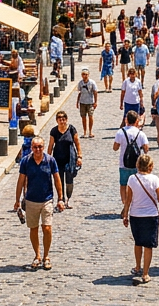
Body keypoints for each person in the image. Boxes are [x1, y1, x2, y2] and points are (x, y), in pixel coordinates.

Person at [13, 136, 65, 271]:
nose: (37, 149)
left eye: (40, 147)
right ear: (31, 148)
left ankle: (46, 256)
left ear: (43, 147)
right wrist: (17, 200)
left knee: (47, 228)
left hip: (47, 199)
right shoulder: (25, 162)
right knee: (33, 228)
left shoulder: (50, 161)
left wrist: (60, 198)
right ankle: (37, 255)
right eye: (35, 147)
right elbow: (20, 181)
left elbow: (57, 179)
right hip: (31, 200)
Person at [122, 153, 159, 284]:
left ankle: (137, 266)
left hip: (135, 215)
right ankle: (145, 273)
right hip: (151, 215)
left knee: (138, 242)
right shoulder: (155, 179)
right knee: (148, 245)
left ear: (137, 165)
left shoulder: (132, 179)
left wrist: (125, 215)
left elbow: (128, 200)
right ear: (150, 166)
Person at [114, 110, 149, 205]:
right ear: (137, 121)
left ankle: (125, 205)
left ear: (126, 120)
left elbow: (115, 148)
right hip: (137, 164)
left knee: (123, 185)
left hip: (123, 163)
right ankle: (134, 204)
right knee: (136, 185)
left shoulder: (120, 132)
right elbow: (146, 149)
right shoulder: (140, 134)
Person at [49, 110, 83, 208]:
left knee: (69, 180)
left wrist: (79, 156)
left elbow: (77, 143)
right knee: (58, 180)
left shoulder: (71, 129)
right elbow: (51, 145)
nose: (62, 121)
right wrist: (47, 158)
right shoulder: (54, 131)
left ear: (66, 120)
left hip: (70, 159)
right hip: (58, 159)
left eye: (63, 119)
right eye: (60, 119)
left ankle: (68, 198)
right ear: (57, 121)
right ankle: (61, 199)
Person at [76, 70, 99, 138]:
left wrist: (95, 102)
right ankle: (84, 132)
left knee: (90, 116)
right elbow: (79, 92)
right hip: (82, 102)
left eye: (86, 74)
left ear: (88, 75)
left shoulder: (92, 83)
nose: (85, 76)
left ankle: (90, 131)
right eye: (83, 74)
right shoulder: (80, 83)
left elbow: (95, 92)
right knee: (83, 117)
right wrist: (77, 102)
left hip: (90, 102)